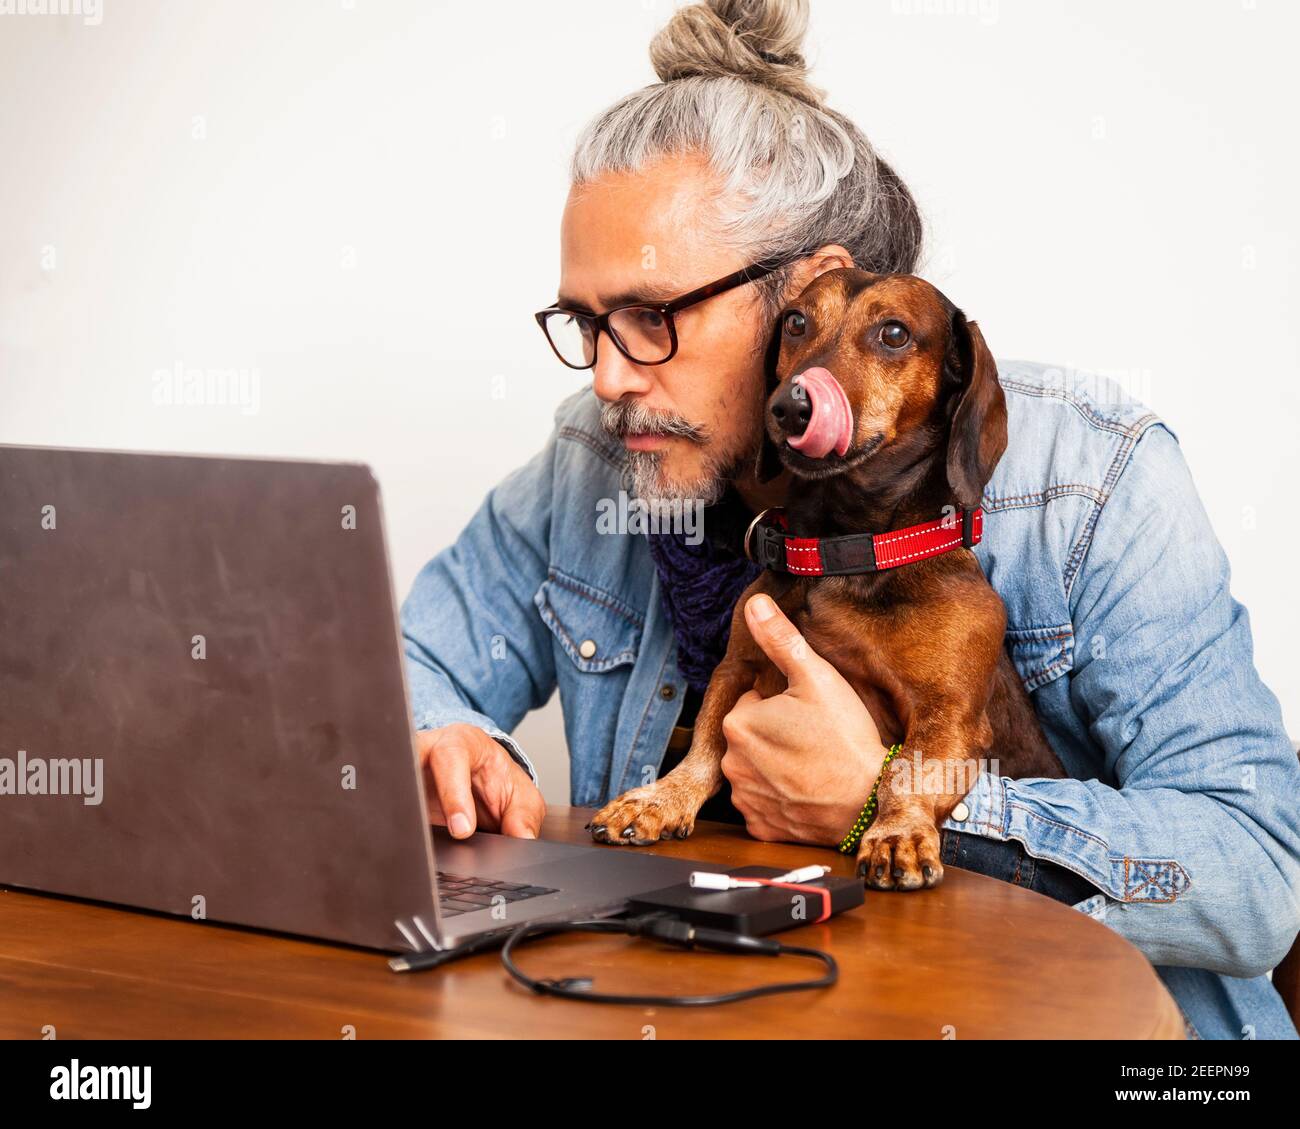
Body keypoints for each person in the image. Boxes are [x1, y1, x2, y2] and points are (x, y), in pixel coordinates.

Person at [399, 0, 1300, 1039]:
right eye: (583, 322)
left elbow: (1256, 875)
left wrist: (892, 803)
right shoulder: (603, 454)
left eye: (651, 317)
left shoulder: (1090, 476)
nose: (606, 376)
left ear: (814, 288)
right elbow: (414, 662)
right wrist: (446, 739)